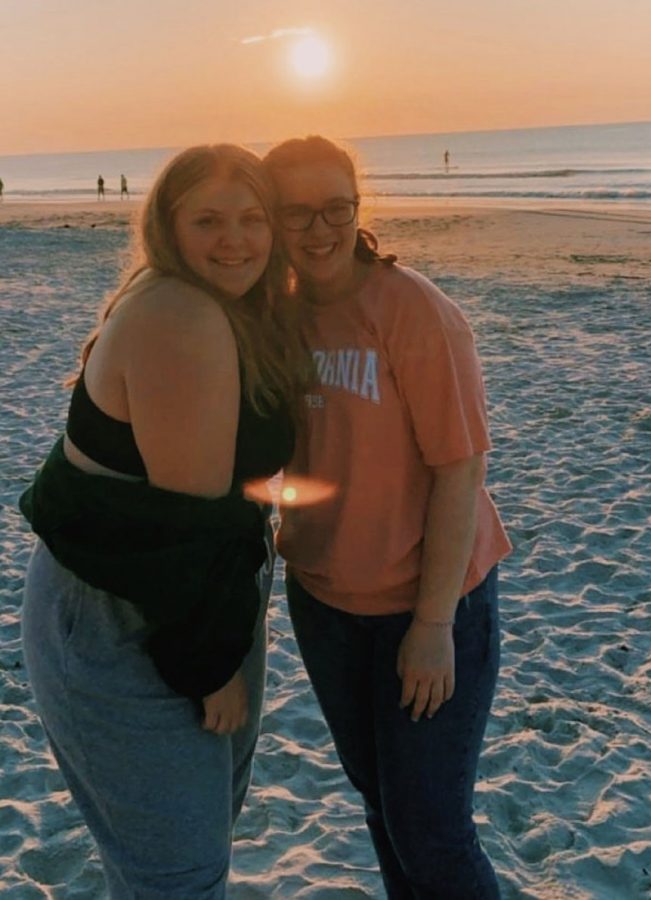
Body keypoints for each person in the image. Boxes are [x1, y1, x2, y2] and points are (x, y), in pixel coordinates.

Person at [20, 143, 310, 899]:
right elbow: (191, 529)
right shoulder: (180, 315)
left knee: (179, 858)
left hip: (182, 601)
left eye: (253, 218)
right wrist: (212, 668)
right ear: (167, 226)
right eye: (208, 219)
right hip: (134, 614)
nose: (236, 239)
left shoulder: (224, 308)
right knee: (177, 878)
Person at [263, 135, 512, 899]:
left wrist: (433, 626)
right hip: (326, 607)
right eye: (295, 211)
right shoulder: (277, 315)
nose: (319, 228)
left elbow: (460, 468)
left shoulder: (413, 311)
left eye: (335, 207)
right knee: (382, 807)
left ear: (357, 209)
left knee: (432, 835)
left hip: (426, 608)